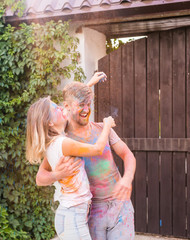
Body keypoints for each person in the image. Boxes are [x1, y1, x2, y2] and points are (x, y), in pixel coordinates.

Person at [36, 76, 136, 240]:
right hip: (91, 213)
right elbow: (40, 178)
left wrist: (127, 179)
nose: (86, 109)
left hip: (120, 207)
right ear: (67, 107)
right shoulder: (64, 142)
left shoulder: (103, 129)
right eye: (81, 105)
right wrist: (56, 175)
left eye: (88, 104)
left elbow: (127, 154)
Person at [26, 90, 116, 239]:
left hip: (70, 215)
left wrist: (90, 86)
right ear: (49, 122)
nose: (62, 108)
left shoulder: (53, 144)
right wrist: (107, 126)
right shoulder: (63, 143)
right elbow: (97, 149)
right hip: (73, 217)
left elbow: (73, 105)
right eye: (56, 108)